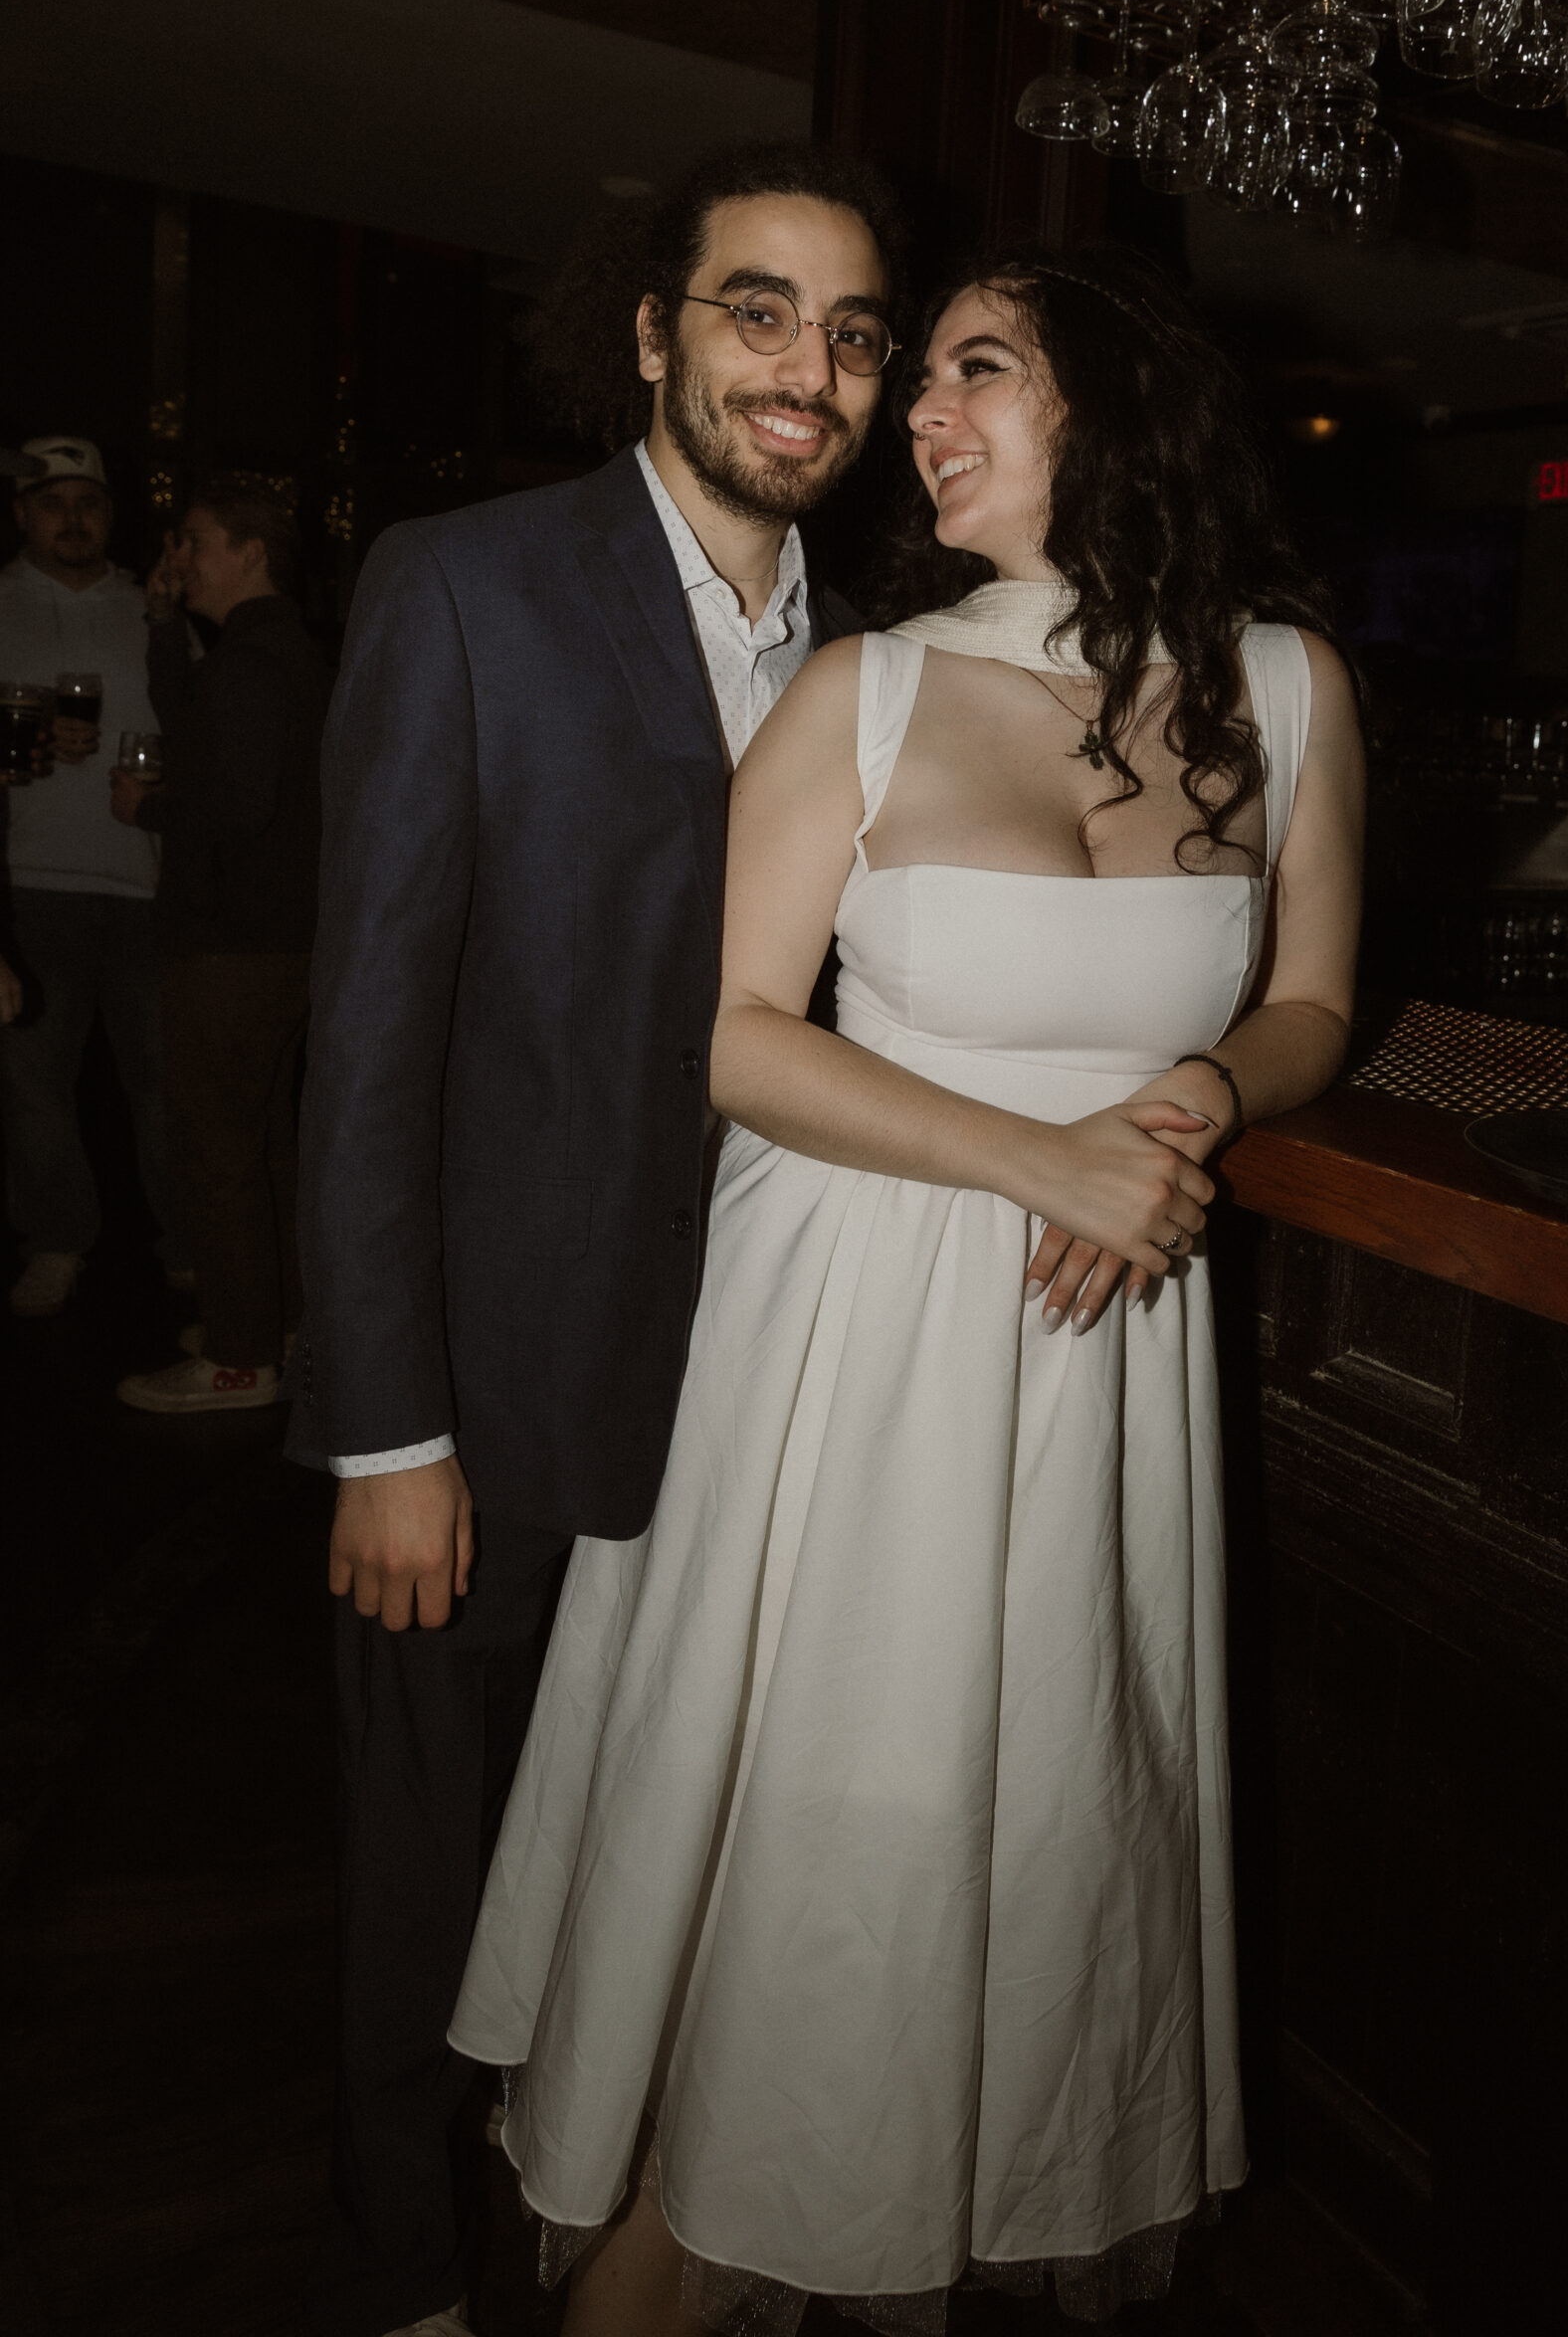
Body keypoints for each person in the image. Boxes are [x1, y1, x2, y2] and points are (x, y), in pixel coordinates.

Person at [449, 243, 1367, 2335]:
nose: (912, 412)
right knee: (809, 1836)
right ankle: (670, 2245)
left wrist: (1196, 1099)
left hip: (1089, 1352)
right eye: (916, 372)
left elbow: (1314, 997)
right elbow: (729, 1031)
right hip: (843, 1337)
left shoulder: (1289, 688)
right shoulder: (856, 688)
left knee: (1020, 1829)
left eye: (972, 371)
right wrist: (1048, 1153)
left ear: (1111, 410)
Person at [285, 139, 908, 2337]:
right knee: (423, 1876)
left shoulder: (885, 654)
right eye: (756, 310)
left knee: (651, 1864)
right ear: (651, 331)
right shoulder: (467, 583)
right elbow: (368, 1031)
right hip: (496, 1378)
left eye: (846, 330)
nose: (804, 369)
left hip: (757, 1393)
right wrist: (382, 1428)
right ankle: (400, 2276)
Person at [111, 480, 327, 1412]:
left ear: (251, 551)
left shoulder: (252, 665)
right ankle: (277, 1324)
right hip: (285, 943)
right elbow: (201, 732)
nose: (176, 558)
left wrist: (147, 807)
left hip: (231, 948)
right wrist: (163, 628)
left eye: (194, 540)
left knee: (217, 1148)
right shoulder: (278, 650)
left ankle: (241, 1357)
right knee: (263, 1142)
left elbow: (230, 808)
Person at [0, 435, 186, 1315]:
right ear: (21, 515)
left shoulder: (153, 607)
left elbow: (201, 728)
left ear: (111, 515)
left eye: (88, 503)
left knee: (165, 1087)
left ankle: (191, 1247)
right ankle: (58, 1243)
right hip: (26, 879)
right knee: (34, 1087)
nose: (72, 519)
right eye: (52, 503)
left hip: (143, 885)